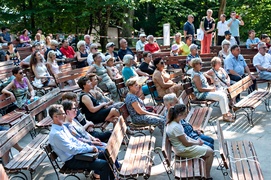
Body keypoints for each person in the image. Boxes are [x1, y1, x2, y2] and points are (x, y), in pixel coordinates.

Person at [48, 104, 114, 180]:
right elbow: (72, 149)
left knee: (106, 154)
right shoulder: (56, 134)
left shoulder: (61, 127)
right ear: (55, 116)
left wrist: (89, 147)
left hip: (78, 154)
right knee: (104, 165)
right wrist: (90, 149)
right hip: (72, 160)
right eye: (63, 114)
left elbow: (74, 140)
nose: (65, 115)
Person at [166, 104, 214, 179]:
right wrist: (197, 143)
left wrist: (196, 141)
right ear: (180, 114)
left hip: (184, 147)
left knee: (208, 148)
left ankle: (204, 172)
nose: (187, 114)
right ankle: (207, 176)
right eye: (185, 113)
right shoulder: (175, 126)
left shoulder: (177, 122)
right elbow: (186, 143)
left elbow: (186, 137)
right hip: (183, 150)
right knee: (211, 152)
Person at [191, 58, 233, 122]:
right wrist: (210, 89)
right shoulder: (196, 75)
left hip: (206, 92)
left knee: (224, 94)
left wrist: (210, 87)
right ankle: (225, 116)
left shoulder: (199, 72)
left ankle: (226, 113)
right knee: (221, 96)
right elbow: (200, 89)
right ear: (195, 64)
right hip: (201, 94)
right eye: (200, 63)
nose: (201, 65)